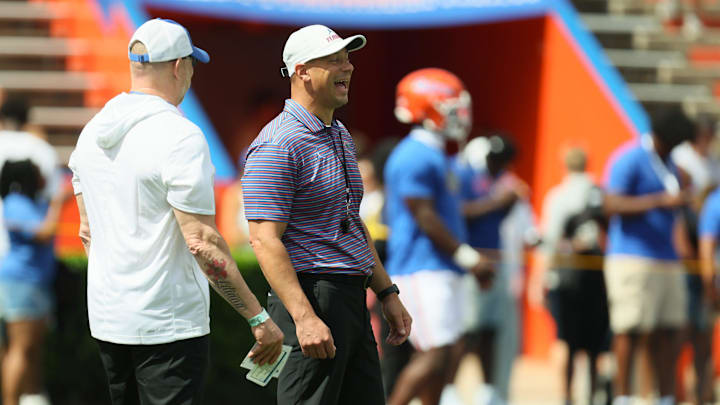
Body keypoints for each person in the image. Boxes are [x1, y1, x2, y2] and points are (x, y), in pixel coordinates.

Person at [67, 18, 284, 405]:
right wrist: (257, 317)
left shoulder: (92, 132)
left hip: (110, 319)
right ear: (177, 67)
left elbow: (87, 233)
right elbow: (202, 242)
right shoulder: (179, 135)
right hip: (167, 323)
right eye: (191, 64)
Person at [241, 24, 412, 405]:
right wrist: (303, 317)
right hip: (311, 299)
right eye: (334, 60)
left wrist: (386, 292)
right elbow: (263, 239)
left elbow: (351, 222)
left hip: (349, 300)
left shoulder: (339, 134)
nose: (348, 67)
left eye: (347, 58)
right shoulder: (277, 143)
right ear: (301, 71)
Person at [383, 68, 493, 405]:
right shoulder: (415, 154)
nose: (460, 116)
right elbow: (425, 217)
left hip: (440, 267)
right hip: (421, 266)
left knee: (449, 354)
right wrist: (468, 257)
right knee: (436, 351)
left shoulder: (435, 154)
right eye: (451, 108)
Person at [603, 106, 695, 405]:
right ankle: (624, 397)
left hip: (666, 258)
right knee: (630, 329)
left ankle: (665, 397)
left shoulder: (671, 164)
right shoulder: (629, 158)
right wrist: (658, 201)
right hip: (632, 257)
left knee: (669, 332)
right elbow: (611, 204)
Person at [454, 133, 525, 405]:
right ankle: (450, 388)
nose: (496, 164)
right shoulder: (468, 176)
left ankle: (488, 390)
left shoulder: (501, 181)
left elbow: (494, 218)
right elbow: (461, 212)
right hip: (473, 261)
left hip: (495, 260)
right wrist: (499, 202)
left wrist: (506, 205)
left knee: (490, 330)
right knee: (468, 330)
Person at [540, 147, 611, 405]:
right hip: (597, 279)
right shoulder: (600, 192)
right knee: (594, 347)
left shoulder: (559, 196)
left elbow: (550, 241)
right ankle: (591, 397)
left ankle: (566, 397)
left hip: (568, 279)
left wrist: (541, 280)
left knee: (566, 343)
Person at [0, 159, 69, 405]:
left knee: (32, 349)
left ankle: (32, 397)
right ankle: (10, 400)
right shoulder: (16, 203)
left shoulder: (32, 202)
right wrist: (58, 204)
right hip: (21, 283)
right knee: (20, 348)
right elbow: (43, 232)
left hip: (35, 283)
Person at [672, 114, 719, 405]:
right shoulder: (680, 158)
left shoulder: (712, 163)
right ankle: (676, 394)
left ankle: (700, 394)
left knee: (703, 335)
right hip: (687, 264)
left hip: (704, 262)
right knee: (680, 334)